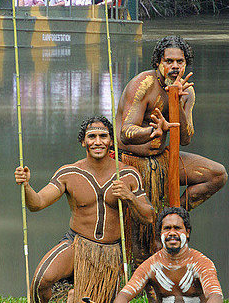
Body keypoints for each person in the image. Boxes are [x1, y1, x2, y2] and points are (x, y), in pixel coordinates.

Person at [15, 116, 154, 303]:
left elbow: (149, 217)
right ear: (83, 142)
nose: (98, 142)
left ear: (111, 141)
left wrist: (129, 197)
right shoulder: (69, 173)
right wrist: (26, 186)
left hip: (110, 252)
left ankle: (75, 297)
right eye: (92, 137)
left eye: (103, 136)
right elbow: (37, 204)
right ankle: (67, 297)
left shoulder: (128, 174)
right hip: (77, 243)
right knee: (41, 280)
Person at [116, 35, 227, 264]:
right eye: (169, 61)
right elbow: (123, 133)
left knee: (218, 175)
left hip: (163, 159)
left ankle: (171, 217)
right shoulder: (144, 85)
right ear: (158, 62)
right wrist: (152, 132)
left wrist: (177, 102)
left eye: (180, 61)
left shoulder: (187, 91)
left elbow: (185, 139)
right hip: (131, 161)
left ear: (186, 63)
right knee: (140, 239)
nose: (175, 66)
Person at [115, 207, 223, 303]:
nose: (172, 233)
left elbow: (215, 296)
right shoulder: (151, 265)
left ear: (187, 232)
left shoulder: (201, 263)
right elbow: (124, 295)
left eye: (177, 228)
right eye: (167, 228)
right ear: (160, 233)